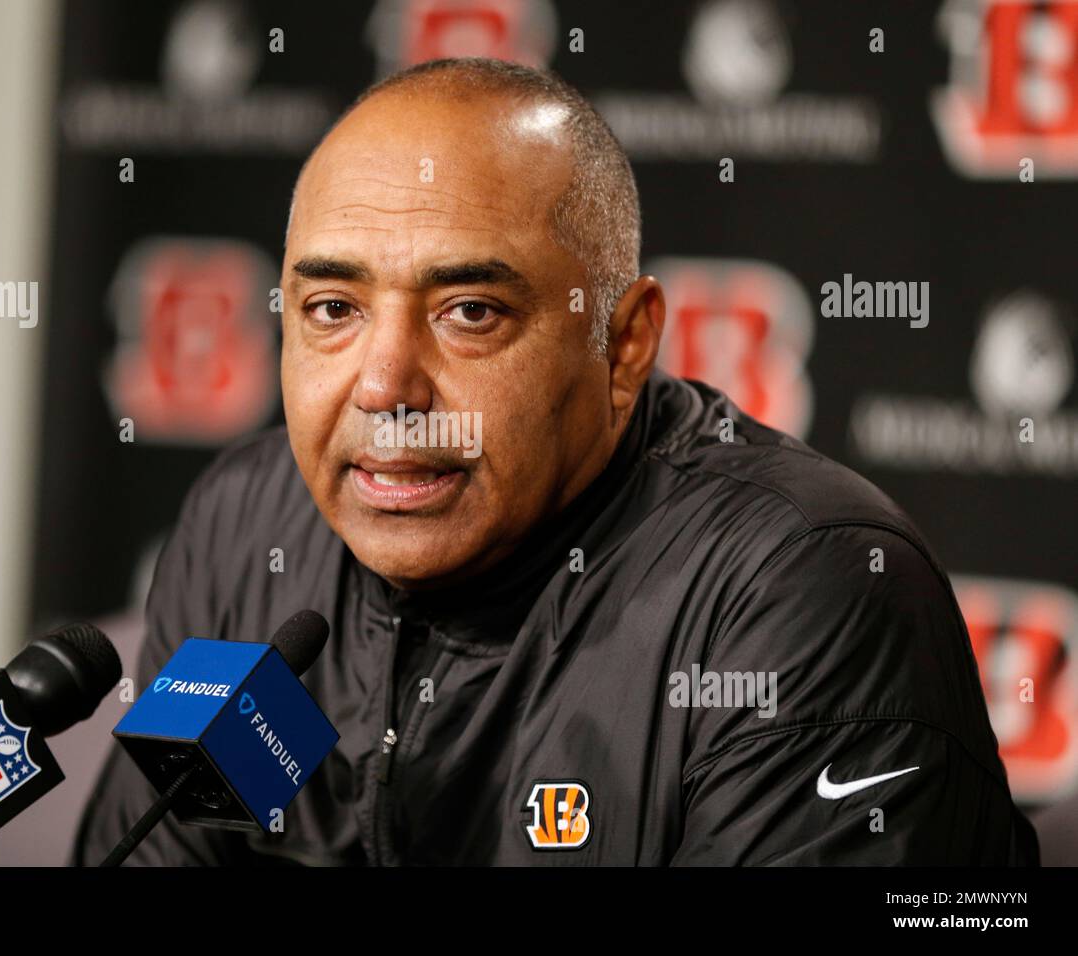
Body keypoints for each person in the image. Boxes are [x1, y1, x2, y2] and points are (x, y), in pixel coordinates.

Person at [74, 57, 1038, 865]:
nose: (383, 388)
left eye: (470, 314)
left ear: (622, 347)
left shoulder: (805, 590)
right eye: (334, 310)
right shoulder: (248, 523)